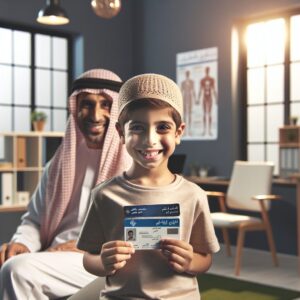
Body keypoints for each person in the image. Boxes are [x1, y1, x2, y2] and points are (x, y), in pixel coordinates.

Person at [76, 73, 220, 299]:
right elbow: (89, 257)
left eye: (162, 127)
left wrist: (190, 260)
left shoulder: (194, 195)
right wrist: (103, 262)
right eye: (138, 128)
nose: (150, 139)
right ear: (121, 133)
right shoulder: (103, 195)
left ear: (179, 132)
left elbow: (205, 258)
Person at [0, 68, 131, 300]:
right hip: (54, 256)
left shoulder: (133, 163)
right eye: (87, 104)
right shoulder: (60, 162)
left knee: (17, 271)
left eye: (105, 104)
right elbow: (34, 218)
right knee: (12, 261)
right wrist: (22, 243)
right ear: (75, 107)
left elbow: (141, 233)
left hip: (100, 260)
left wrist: (91, 246)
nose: (96, 115)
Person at [197, 66, 218, 136]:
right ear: (205, 71)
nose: (207, 71)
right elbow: (200, 90)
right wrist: (198, 99)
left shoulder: (212, 79)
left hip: (210, 98)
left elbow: (214, 89)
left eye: (208, 70)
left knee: (209, 114)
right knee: (204, 114)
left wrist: (216, 98)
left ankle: (209, 130)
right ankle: (204, 130)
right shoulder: (202, 80)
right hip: (204, 98)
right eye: (206, 70)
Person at [181, 70, 196, 136]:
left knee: (189, 114)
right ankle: (184, 131)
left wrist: (195, 99)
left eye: (188, 74)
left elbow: (193, 91)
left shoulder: (192, 82)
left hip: (190, 98)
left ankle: (189, 130)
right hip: (184, 98)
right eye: (186, 74)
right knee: (184, 114)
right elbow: (181, 91)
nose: (187, 75)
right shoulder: (183, 82)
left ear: (189, 74)